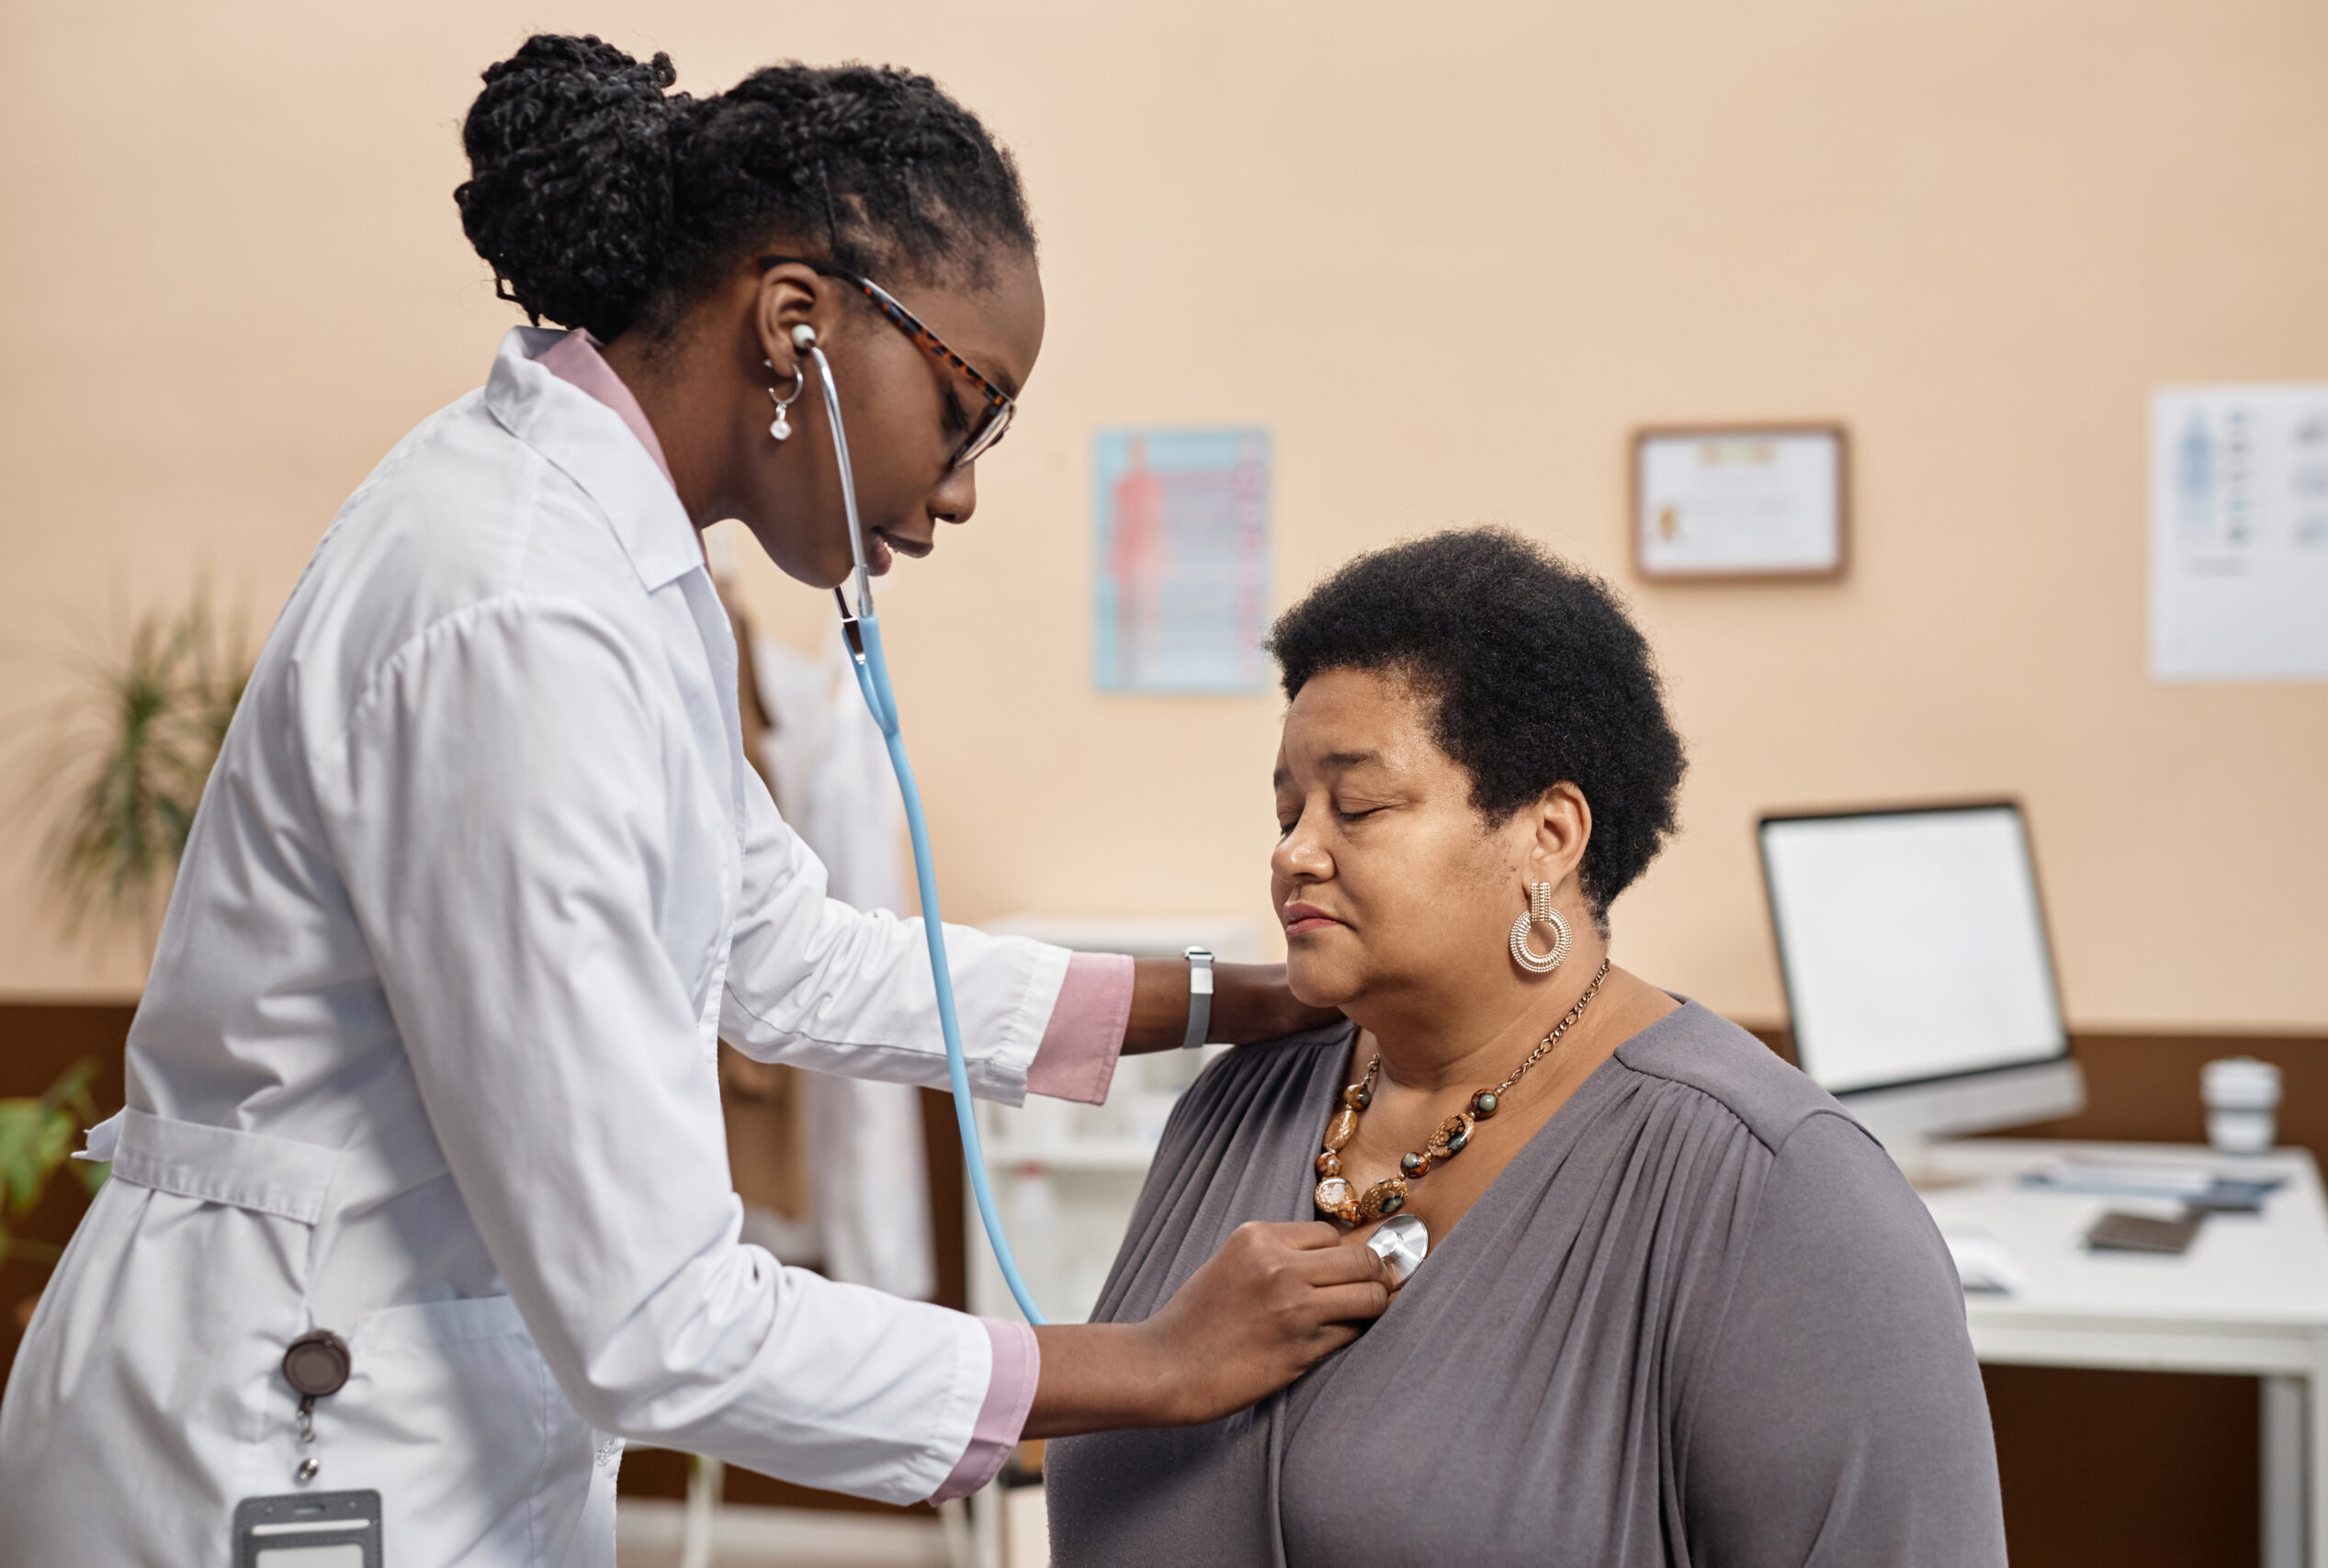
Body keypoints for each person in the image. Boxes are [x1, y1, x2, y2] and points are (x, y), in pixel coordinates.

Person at [0, 37, 1394, 1566]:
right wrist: (1153, 1362)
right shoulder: (522, 610)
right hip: (272, 1439)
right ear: (796, 326)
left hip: (410, 1407)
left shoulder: (626, 570)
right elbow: (657, 1316)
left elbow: (775, 948)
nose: (968, 483)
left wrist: (1223, 996)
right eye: (968, 408)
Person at [1048, 529, 2006, 1566]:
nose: (1294, 851)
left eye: (1357, 805)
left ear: (1548, 835)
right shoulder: (1235, 1109)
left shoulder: (1776, 1188)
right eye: (1287, 809)